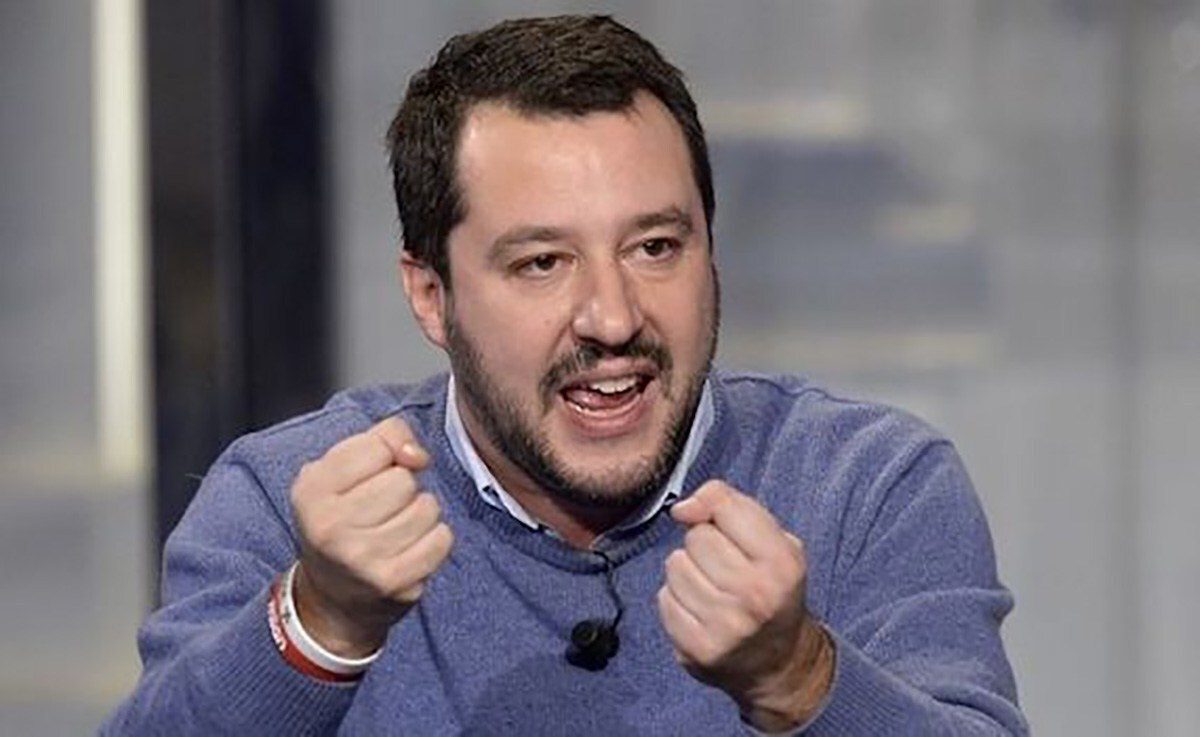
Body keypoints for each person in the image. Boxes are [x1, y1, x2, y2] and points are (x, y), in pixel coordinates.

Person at [104, 15, 1027, 736]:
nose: (613, 318)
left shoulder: (866, 487)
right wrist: (319, 626)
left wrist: (800, 676)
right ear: (431, 295)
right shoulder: (286, 502)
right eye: (542, 262)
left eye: (655, 246)